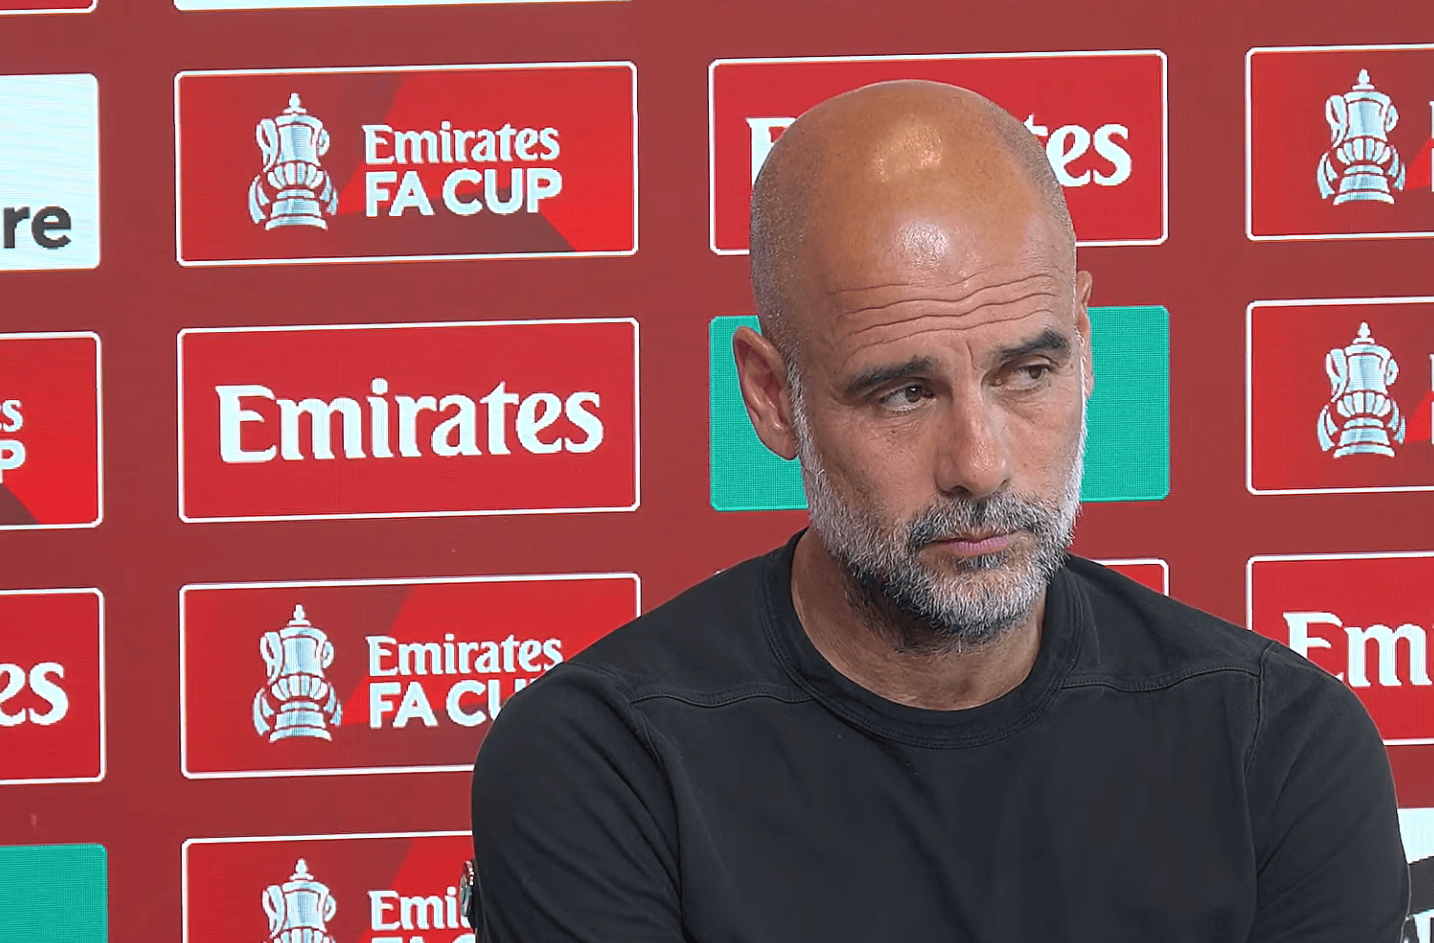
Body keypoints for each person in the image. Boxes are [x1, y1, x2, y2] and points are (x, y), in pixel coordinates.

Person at [468, 80, 1410, 941]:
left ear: (1085, 350)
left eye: (1027, 373)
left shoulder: (1278, 745)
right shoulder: (604, 764)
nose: (979, 464)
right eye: (904, 393)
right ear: (770, 397)